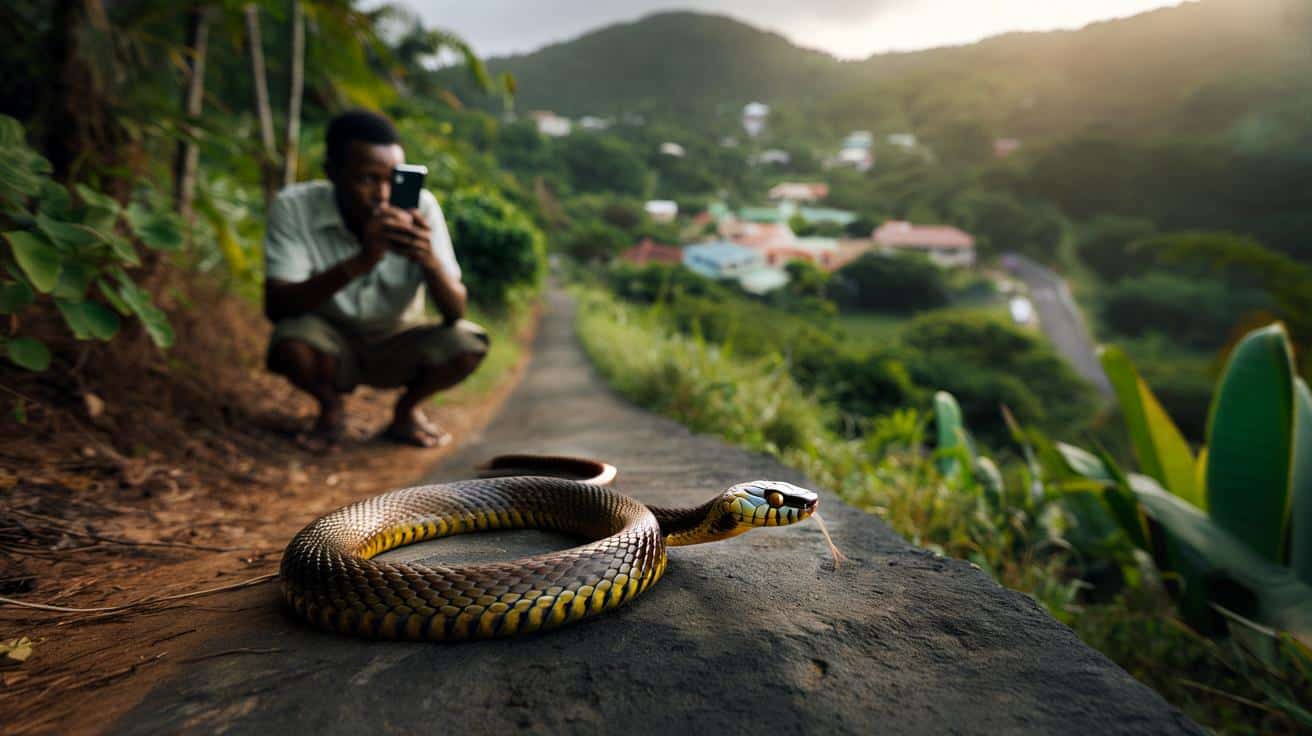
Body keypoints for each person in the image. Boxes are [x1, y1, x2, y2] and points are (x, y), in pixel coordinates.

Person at [263, 110, 488, 451]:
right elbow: (277, 307)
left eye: (394, 180)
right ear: (332, 174)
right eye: (368, 178)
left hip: (399, 339)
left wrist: (428, 260)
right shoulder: (294, 206)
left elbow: (455, 311)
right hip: (329, 341)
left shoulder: (421, 208)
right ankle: (331, 408)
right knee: (290, 343)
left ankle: (406, 412)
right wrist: (362, 261)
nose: (383, 195)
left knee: (467, 342)